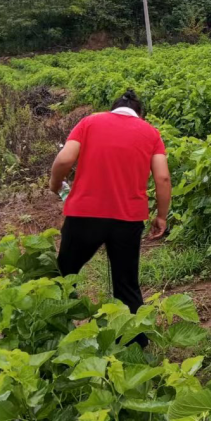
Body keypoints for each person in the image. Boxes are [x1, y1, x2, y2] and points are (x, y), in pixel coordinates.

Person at [49, 90, 171, 345]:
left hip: (84, 214)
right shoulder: (150, 132)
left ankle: (54, 334)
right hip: (127, 219)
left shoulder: (90, 122)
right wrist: (161, 216)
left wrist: (55, 184)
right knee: (126, 283)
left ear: (112, 108)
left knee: (64, 274)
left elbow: (65, 159)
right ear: (140, 114)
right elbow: (162, 178)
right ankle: (135, 345)